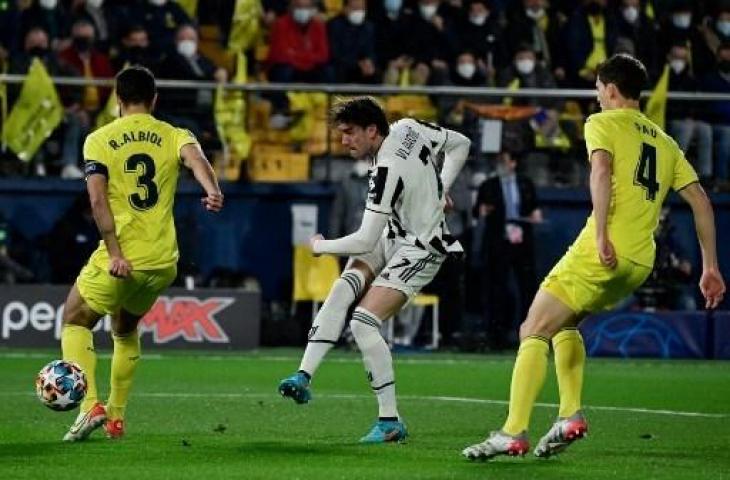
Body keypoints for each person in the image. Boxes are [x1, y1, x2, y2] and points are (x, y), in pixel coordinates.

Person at [462, 53, 725, 461]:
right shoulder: (665, 141)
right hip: (639, 262)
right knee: (566, 322)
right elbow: (702, 203)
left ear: (612, 90)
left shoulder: (601, 123)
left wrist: (601, 234)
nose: (597, 96)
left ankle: (513, 431)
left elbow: (600, 171)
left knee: (532, 328)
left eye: (599, 88)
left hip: (602, 249)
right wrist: (710, 267)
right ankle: (569, 415)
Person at [277, 97, 470, 443]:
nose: (344, 141)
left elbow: (363, 240)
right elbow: (461, 145)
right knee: (342, 288)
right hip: (394, 234)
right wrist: (442, 188)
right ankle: (303, 375)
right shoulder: (409, 127)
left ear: (372, 130)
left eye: (350, 133)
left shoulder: (385, 171)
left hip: (422, 247)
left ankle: (390, 421)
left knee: (363, 323)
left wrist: (321, 247)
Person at [59, 66, 223, 442]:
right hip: (163, 261)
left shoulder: (99, 140)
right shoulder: (174, 133)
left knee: (74, 319)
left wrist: (115, 252)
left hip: (123, 259)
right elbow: (197, 160)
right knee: (124, 327)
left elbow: (97, 200)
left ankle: (90, 408)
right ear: (155, 100)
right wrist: (212, 190)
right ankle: (116, 417)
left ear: (117, 100)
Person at [474, 150, 542, 349]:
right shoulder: (488, 185)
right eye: (498, 162)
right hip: (497, 243)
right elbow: (477, 210)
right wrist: (483, 211)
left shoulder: (525, 184)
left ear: (513, 163)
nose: (501, 165)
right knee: (496, 290)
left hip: (522, 242)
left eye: (504, 161)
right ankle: (496, 337)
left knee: (527, 289)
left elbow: (534, 208)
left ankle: (529, 334)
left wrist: (535, 215)